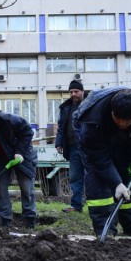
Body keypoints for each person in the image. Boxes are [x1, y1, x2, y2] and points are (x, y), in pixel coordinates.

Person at [73, 87, 131, 237]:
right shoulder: (91, 119)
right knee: (98, 183)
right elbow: (98, 158)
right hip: (96, 141)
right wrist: (116, 183)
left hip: (122, 141)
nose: (122, 124)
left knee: (129, 179)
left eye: (127, 120)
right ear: (112, 110)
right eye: (118, 119)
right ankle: (105, 229)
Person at [55, 79, 85, 213]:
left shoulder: (91, 103)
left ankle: (99, 205)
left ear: (82, 92)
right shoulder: (66, 107)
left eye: (76, 91)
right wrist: (59, 142)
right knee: (75, 177)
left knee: (93, 176)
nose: (73, 94)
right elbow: (61, 126)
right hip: (73, 147)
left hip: (90, 148)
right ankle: (76, 206)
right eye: (71, 92)